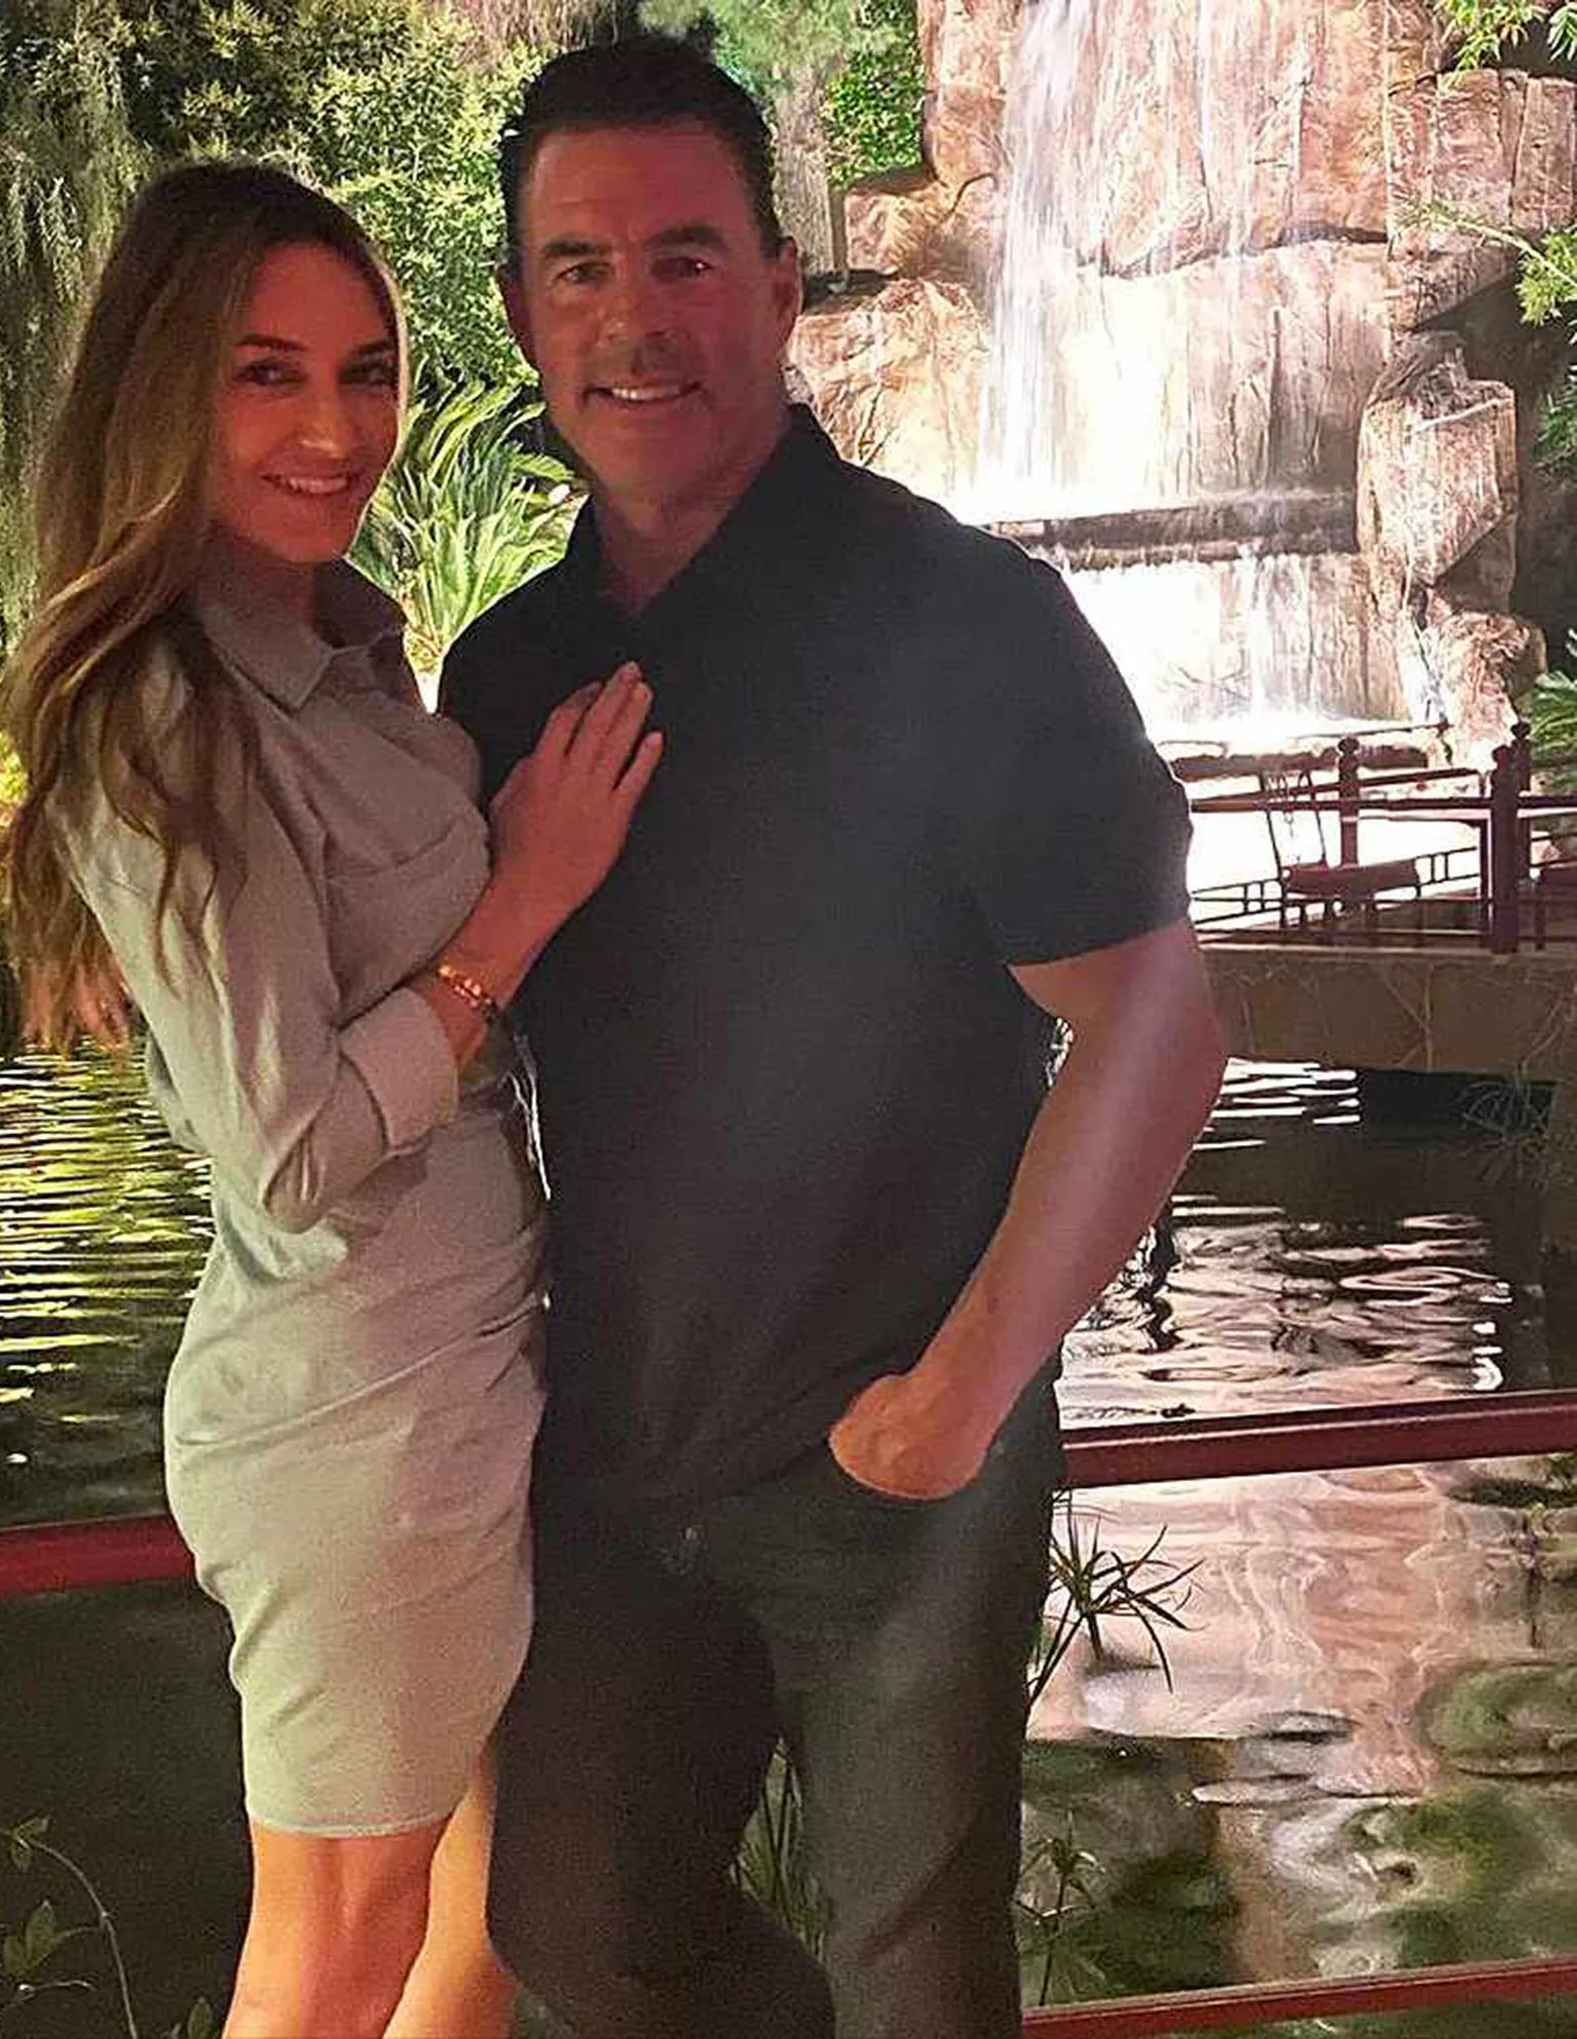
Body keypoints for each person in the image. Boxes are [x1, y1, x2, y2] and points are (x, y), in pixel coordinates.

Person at [440, 37, 1230, 2039]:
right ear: (527, 312)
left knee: (915, 1983)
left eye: (686, 258)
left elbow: (1155, 1020)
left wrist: (967, 1386)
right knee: (576, 1925)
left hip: (899, 1463)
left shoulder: (958, 619)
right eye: (580, 268)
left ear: (783, 290)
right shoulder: (511, 666)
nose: (634, 318)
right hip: (614, 1455)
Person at [0, 160, 660, 2039]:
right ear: (162, 393)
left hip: (455, 1373)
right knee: (335, 1949)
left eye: (364, 371)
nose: (336, 426)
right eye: (265, 373)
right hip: (360, 1408)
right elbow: (282, 1149)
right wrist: (520, 903)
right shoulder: (165, 712)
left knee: (468, 1921)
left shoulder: (342, 664)